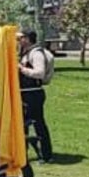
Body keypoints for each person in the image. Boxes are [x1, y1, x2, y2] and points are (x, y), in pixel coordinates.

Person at [18, 29, 54, 162]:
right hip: (25, 93)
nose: (19, 41)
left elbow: (40, 73)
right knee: (23, 124)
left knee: (38, 123)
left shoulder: (36, 54)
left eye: (21, 38)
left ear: (27, 39)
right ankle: (23, 153)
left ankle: (46, 154)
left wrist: (22, 69)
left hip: (33, 93)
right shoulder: (25, 53)